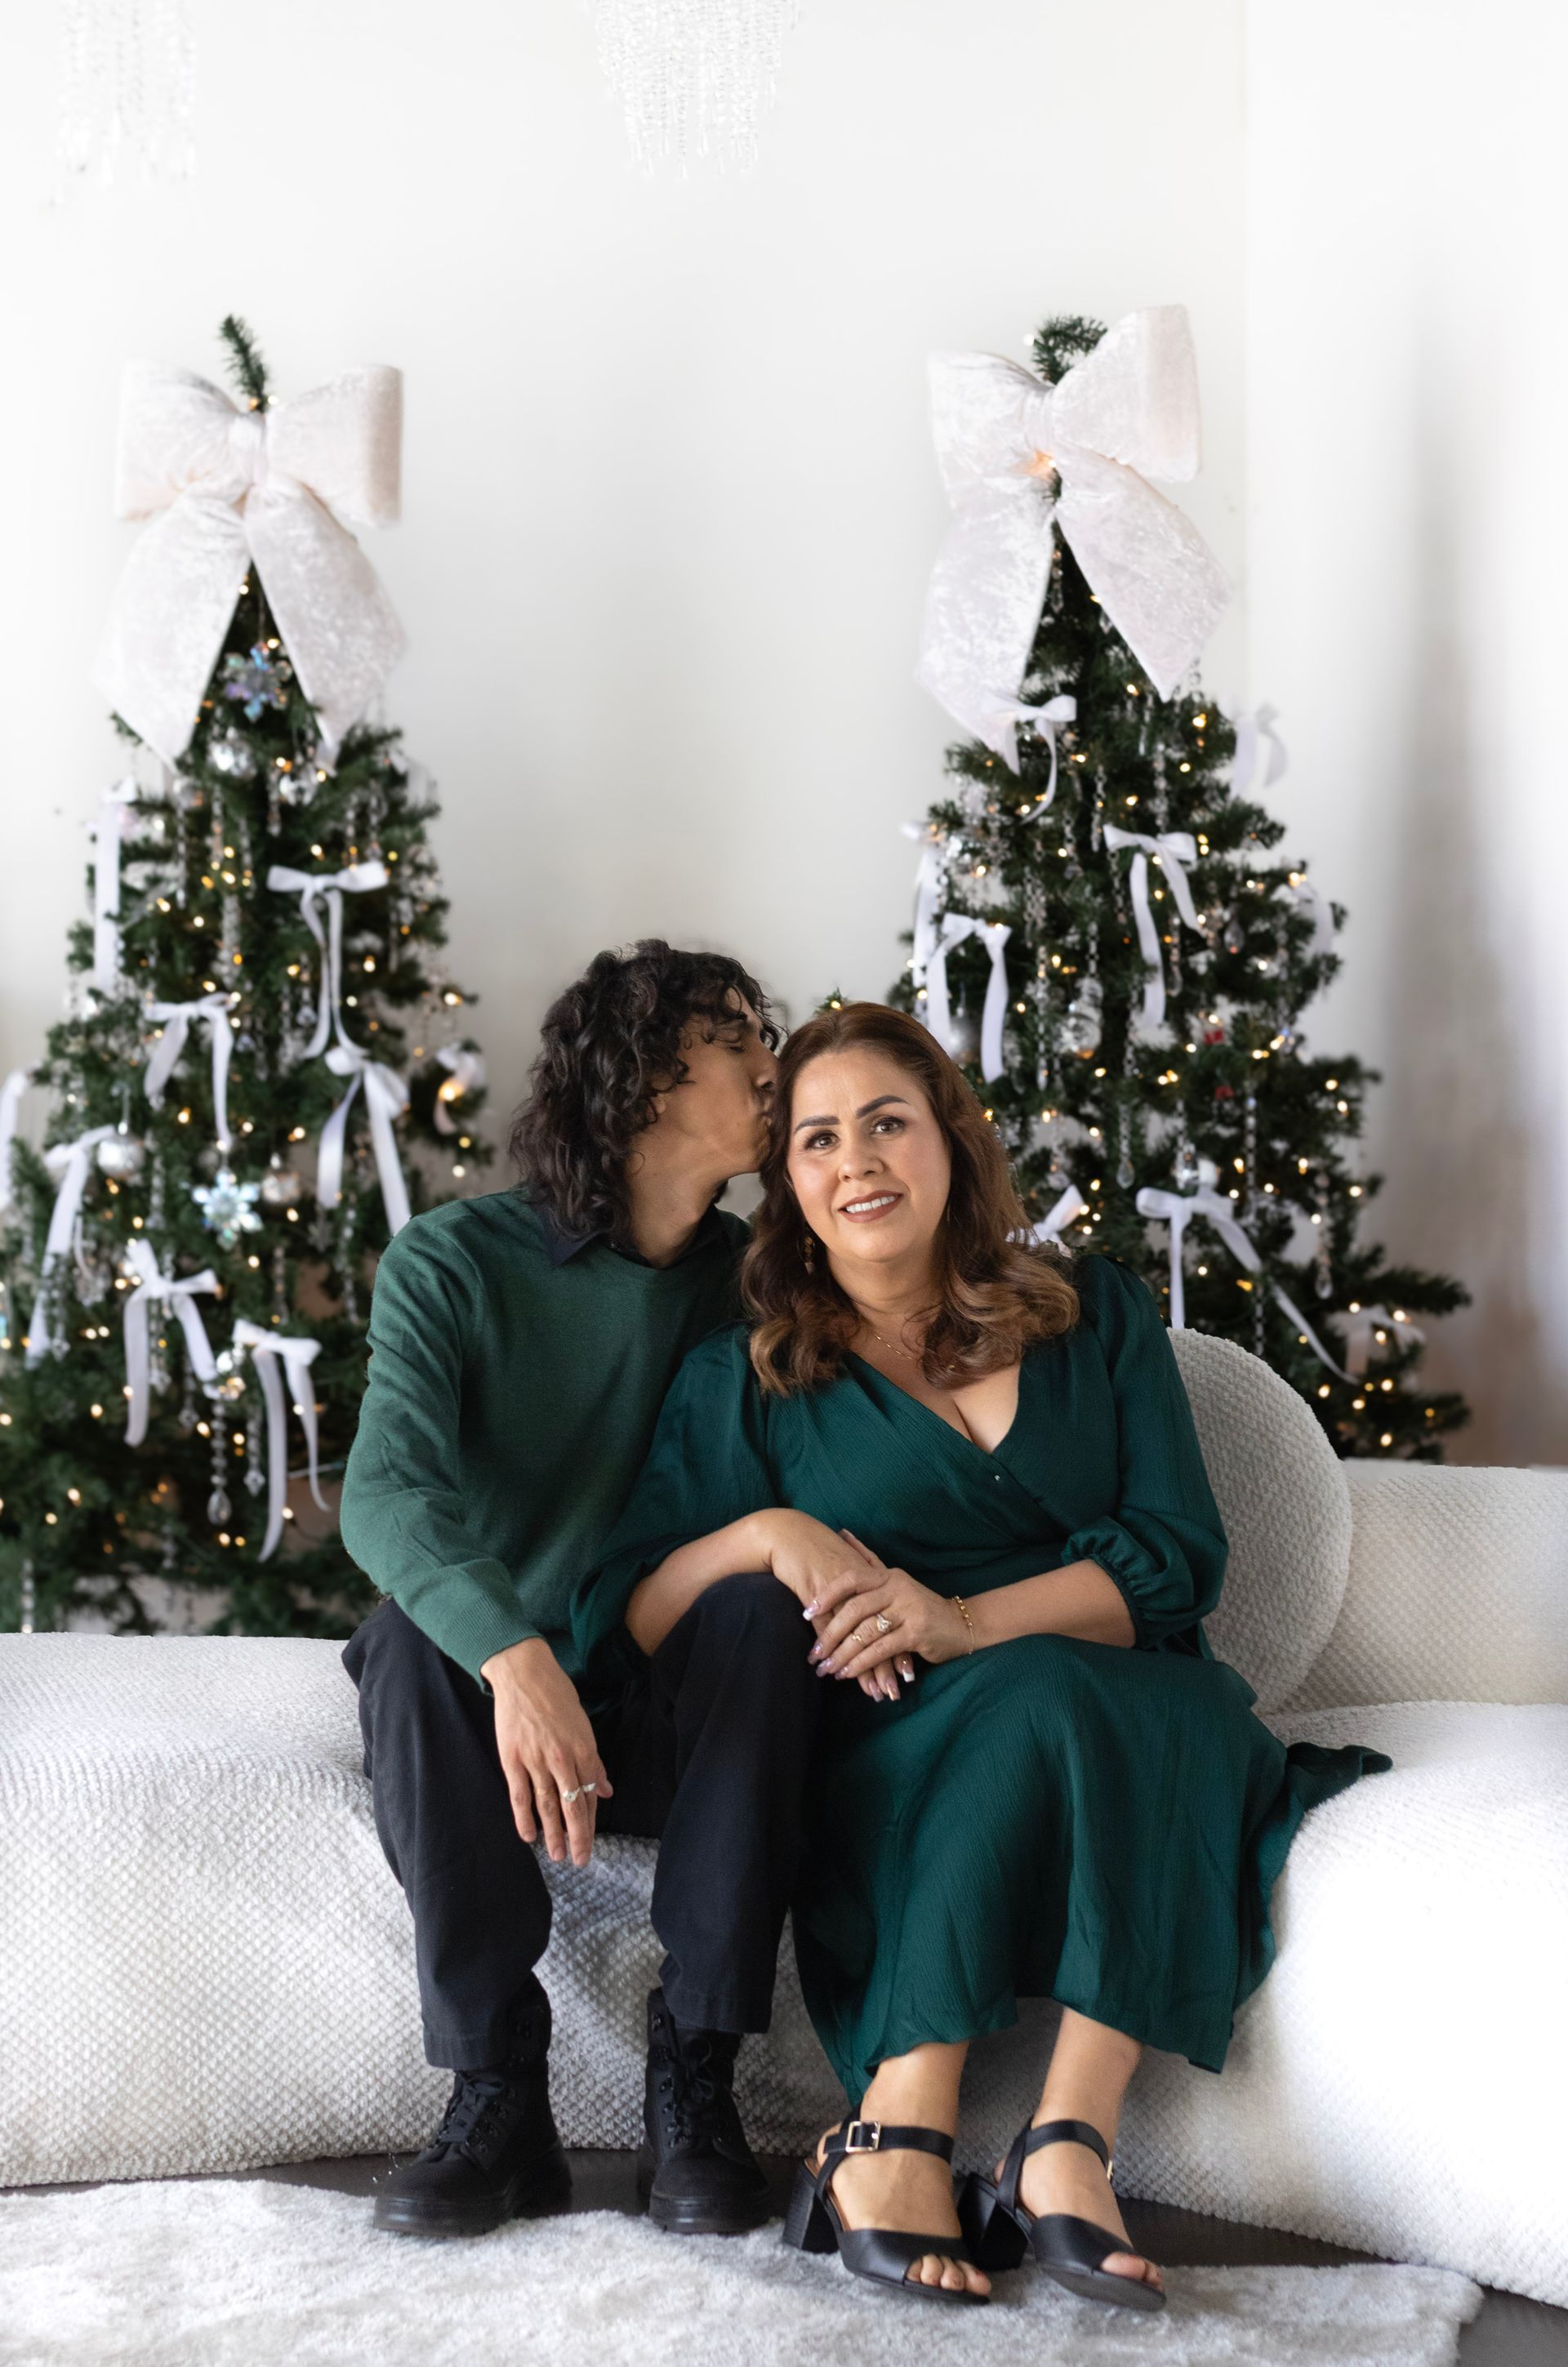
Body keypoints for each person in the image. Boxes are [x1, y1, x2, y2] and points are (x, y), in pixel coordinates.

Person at [574, 1000, 1389, 2311]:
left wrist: (969, 1619)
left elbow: (1180, 1557)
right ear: (787, 1182)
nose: (857, 1163)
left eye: (888, 1123)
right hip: (887, 1740)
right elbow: (637, 1611)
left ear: (952, 1140)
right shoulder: (749, 1376)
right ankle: (906, 2124)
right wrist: (770, 1533)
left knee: (1180, 1706)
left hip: (1099, 1697)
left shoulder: (1092, 1312)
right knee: (1115, 1702)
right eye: (819, 1140)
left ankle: (1065, 2140)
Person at [339, 939, 823, 2243]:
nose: (777, 1070)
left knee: (762, 1612)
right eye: (743, 1042)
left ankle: (697, 2066)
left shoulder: (767, 1284)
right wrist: (515, 1656)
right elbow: (382, 1497)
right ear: (651, 1079)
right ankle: (496, 2093)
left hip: (678, 1702)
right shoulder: (453, 1264)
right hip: (504, 1718)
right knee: (407, 1639)